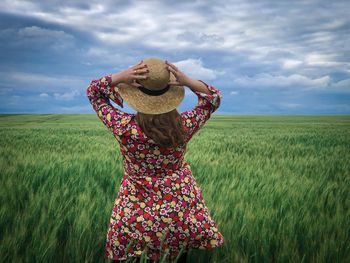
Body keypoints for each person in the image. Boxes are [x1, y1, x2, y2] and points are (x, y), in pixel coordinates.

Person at [86, 57, 225, 263]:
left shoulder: (124, 127)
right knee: (177, 256)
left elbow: (94, 92)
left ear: (136, 94)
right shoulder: (184, 125)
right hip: (180, 209)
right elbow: (213, 97)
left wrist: (121, 76)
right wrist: (187, 81)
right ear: (170, 93)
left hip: (134, 211)